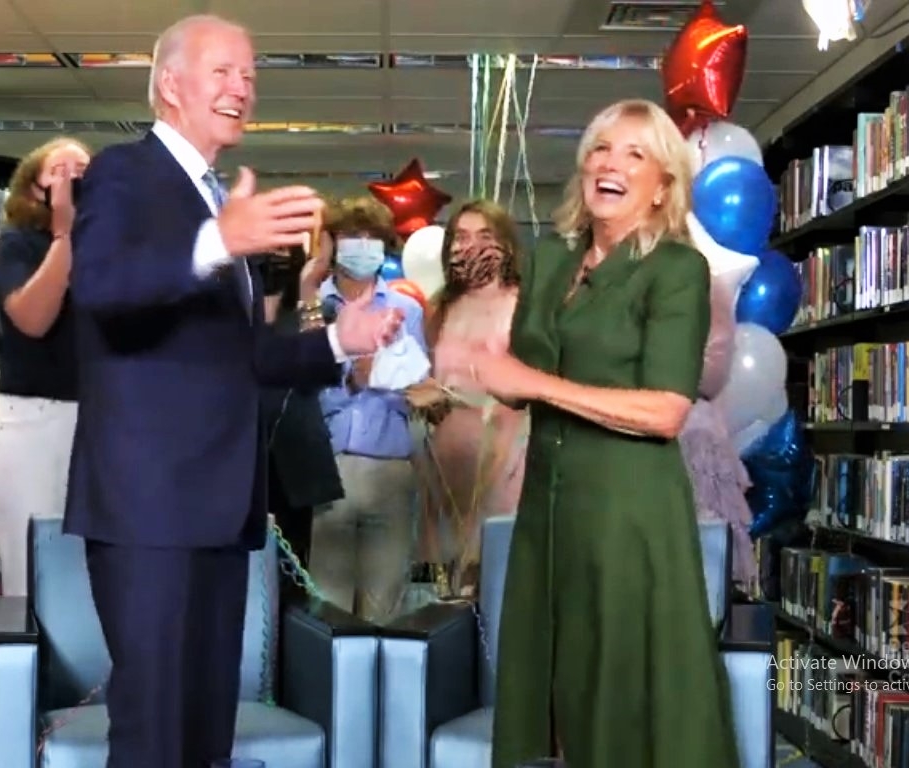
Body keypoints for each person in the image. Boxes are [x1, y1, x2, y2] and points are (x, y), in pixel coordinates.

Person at [64, 14, 404, 768]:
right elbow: (103, 289)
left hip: (221, 506)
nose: (242, 87)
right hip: (149, 505)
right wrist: (219, 240)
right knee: (152, 732)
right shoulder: (126, 172)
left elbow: (238, 357)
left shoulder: (216, 197)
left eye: (249, 74)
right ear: (169, 85)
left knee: (203, 729)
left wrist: (337, 344)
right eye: (222, 71)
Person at [433, 98, 739, 768]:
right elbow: (521, 373)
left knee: (619, 696)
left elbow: (664, 410)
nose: (611, 162)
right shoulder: (548, 261)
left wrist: (535, 384)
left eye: (635, 153)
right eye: (602, 147)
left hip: (629, 514)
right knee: (551, 696)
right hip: (544, 509)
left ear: (664, 185)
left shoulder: (676, 271)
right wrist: (485, 372)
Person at [310, 196, 426, 623]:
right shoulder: (313, 306)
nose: (361, 245)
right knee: (327, 602)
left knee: (385, 604)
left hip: (391, 471)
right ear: (332, 244)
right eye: (350, 236)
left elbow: (415, 385)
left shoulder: (407, 310)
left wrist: (400, 380)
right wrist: (353, 379)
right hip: (327, 466)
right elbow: (300, 389)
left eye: (371, 237)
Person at [0, 136, 89, 597]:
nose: (75, 177)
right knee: (34, 577)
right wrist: (65, 237)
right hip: (35, 421)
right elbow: (33, 319)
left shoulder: (107, 252)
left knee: (86, 577)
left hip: (95, 422)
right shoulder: (18, 245)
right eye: (60, 170)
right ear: (33, 189)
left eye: (84, 170)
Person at [409, 199, 529, 597]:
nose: (470, 247)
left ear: (506, 246)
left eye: (483, 236)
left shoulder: (525, 306)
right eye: (460, 237)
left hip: (506, 458)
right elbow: (428, 370)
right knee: (447, 585)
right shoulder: (441, 307)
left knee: (494, 578)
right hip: (448, 461)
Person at [257, 239, 345, 596]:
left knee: (294, 583)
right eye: (269, 247)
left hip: (296, 463)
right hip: (239, 459)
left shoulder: (313, 310)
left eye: (285, 248)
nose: (276, 255)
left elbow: (322, 367)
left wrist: (309, 288)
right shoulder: (231, 309)